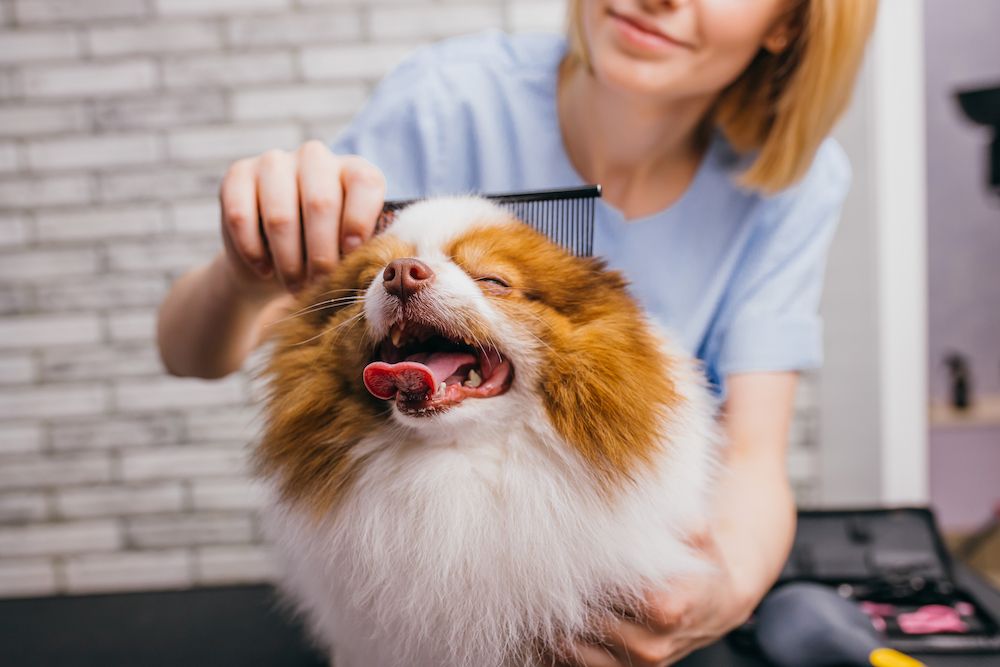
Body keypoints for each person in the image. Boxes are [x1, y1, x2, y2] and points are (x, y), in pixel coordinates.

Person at [158, 1, 877, 664]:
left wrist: (724, 590)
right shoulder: (448, 100)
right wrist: (246, 271)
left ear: (790, 22)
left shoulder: (794, 183)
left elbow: (753, 451)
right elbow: (193, 351)